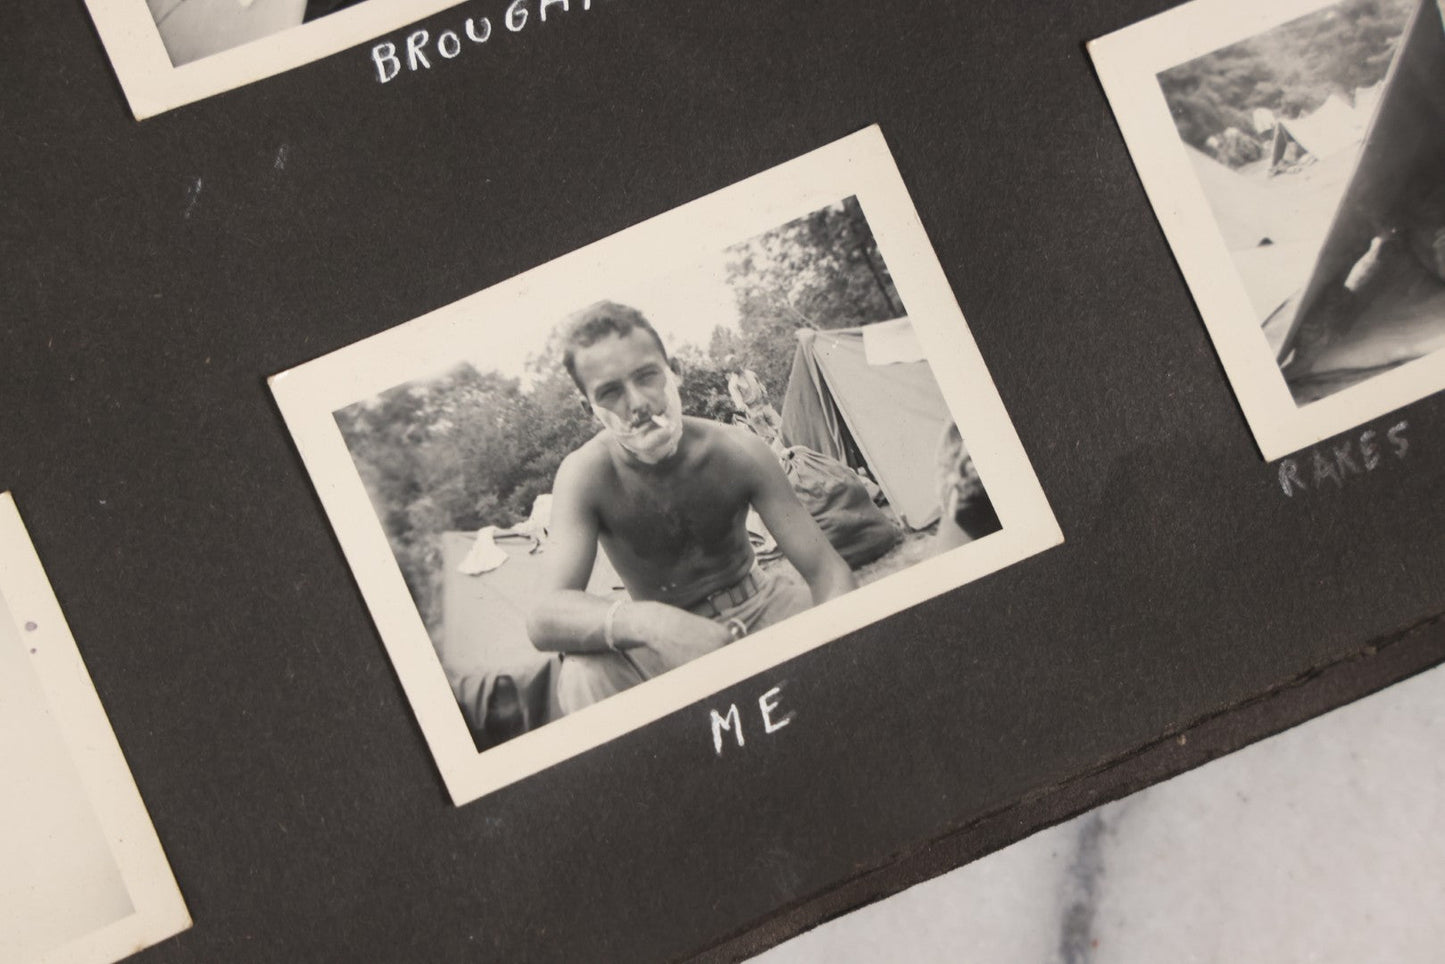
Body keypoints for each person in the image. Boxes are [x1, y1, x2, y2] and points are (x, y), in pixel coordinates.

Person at [527, 302, 856, 713]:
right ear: (588, 408)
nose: (638, 403)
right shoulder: (586, 474)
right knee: (585, 672)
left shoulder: (738, 449)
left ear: (675, 371)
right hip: (657, 646)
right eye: (610, 392)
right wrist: (653, 623)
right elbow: (544, 615)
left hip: (763, 607)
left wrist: (837, 649)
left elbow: (828, 572)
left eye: (647, 376)